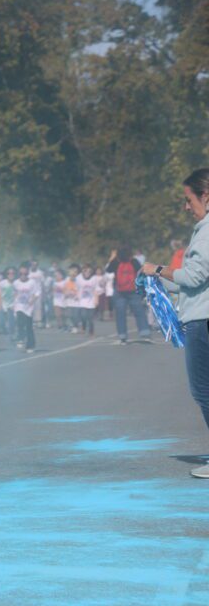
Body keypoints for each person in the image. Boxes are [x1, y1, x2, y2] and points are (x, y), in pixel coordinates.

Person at [143, 169, 209, 478]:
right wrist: (156, 281)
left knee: (203, 391)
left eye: (188, 199)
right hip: (200, 314)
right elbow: (191, 283)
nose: (186, 206)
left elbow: (193, 276)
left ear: (205, 196)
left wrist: (157, 268)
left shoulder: (207, 229)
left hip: (202, 321)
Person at [106, 246, 151, 343]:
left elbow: (108, 270)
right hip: (133, 290)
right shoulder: (134, 261)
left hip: (119, 291)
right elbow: (141, 272)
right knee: (139, 311)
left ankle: (122, 334)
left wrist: (112, 257)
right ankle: (144, 331)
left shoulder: (116, 262)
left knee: (120, 314)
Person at [13, 263, 40, 353]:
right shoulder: (16, 283)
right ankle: (20, 338)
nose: (23, 276)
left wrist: (32, 300)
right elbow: (14, 293)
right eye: (21, 274)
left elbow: (37, 293)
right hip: (19, 306)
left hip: (29, 307)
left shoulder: (32, 282)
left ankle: (30, 345)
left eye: (25, 274)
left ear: (28, 274)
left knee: (29, 326)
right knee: (20, 322)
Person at [75, 264, 101, 337]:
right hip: (82, 300)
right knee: (83, 315)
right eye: (85, 270)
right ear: (82, 271)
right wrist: (77, 296)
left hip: (91, 300)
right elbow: (77, 288)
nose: (87, 272)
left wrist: (96, 300)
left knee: (90, 317)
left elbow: (96, 289)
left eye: (89, 271)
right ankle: (83, 326)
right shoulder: (78, 278)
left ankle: (91, 331)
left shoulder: (94, 278)